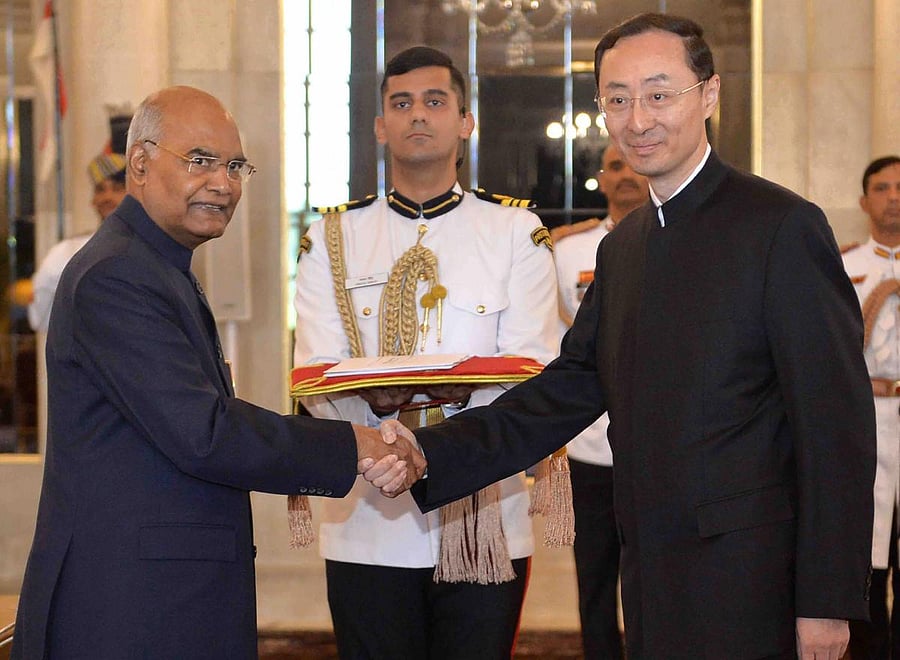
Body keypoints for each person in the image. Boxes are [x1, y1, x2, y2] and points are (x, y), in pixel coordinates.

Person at [368, 13, 876, 660]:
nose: (638, 120)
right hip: (650, 583)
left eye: (660, 94)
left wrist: (827, 603)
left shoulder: (781, 229)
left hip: (755, 586)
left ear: (709, 95)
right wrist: (428, 451)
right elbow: (565, 392)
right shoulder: (624, 248)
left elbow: (835, 428)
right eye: (617, 99)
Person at [10, 85, 423, 660]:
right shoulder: (118, 275)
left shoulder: (156, 265)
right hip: (128, 610)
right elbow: (203, 433)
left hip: (158, 599)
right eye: (200, 161)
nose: (223, 183)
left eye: (234, 166)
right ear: (140, 164)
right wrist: (353, 443)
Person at [293, 46, 559, 659]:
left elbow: (531, 374)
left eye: (436, 102)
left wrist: (433, 450)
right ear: (381, 125)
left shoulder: (516, 233)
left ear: (466, 122)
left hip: (483, 512)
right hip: (367, 518)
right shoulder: (330, 237)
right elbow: (317, 374)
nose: (419, 115)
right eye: (402, 103)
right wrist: (384, 456)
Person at [553, 141, 648, 659]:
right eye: (616, 166)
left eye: (633, 162)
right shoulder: (566, 251)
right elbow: (553, 340)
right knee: (594, 577)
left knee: (655, 578)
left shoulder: (682, 240)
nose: (627, 174)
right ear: (602, 180)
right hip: (590, 444)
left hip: (659, 443)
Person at [843, 155, 900, 660]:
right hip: (868, 418)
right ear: (865, 202)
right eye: (882, 188)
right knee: (867, 550)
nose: (894, 197)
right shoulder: (846, 264)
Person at [27, 143, 128, 332]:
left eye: (117, 188)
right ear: (93, 200)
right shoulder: (67, 252)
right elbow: (39, 318)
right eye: (101, 190)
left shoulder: (153, 246)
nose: (108, 197)